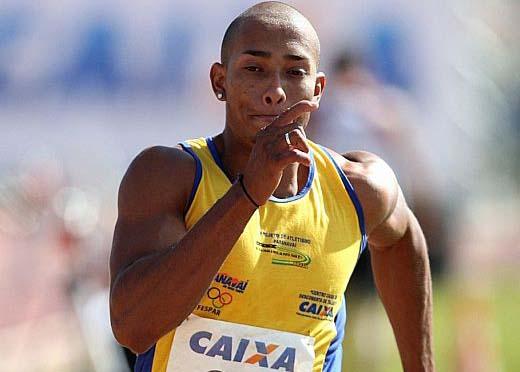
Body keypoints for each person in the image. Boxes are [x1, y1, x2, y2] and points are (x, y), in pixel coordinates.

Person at [109, 2, 434, 371]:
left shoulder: (356, 187)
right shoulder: (169, 175)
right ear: (220, 82)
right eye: (254, 69)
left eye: (294, 71)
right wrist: (247, 194)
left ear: (318, 89)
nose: (275, 91)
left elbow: (402, 236)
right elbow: (133, 328)